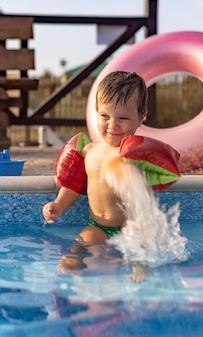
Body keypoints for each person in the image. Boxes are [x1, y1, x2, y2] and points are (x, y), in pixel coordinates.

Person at [42, 71, 181, 279]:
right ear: (96, 112)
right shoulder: (88, 151)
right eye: (104, 116)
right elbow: (74, 183)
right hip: (97, 226)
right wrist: (59, 205)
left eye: (123, 118)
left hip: (132, 230)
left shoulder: (134, 155)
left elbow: (164, 176)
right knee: (72, 259)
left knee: (139, 264)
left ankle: (138, 269)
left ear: (140, 118)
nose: (112, 125)